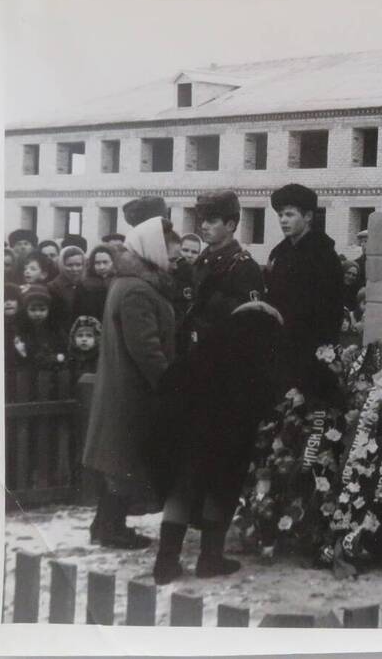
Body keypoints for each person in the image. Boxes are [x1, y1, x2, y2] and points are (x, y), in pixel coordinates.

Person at [150, 301, 283, 584]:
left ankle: (166, 561)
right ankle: (210, 558)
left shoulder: (208, 345)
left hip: (181, 427)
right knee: (219, 491)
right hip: (226, 436)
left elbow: (169, 379)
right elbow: (264, 397)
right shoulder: (259, 354)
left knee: (182, 489)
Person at [82, 216, 183, 549]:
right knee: (122, 463)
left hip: (126, 389)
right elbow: (146, 348)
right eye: (171, 249)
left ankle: (106, 525)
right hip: (131, 391)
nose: (176, 256)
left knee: (120, 462)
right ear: (153, 248)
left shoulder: (130, 284)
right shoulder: (137, 289)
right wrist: (169, 384)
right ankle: (110, 529)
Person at [265, 184, 344, 396]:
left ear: (308, 216)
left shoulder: (324, 257)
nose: (283, 220)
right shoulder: (279, 254)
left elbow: (330, 311)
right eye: (280, 215)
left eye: (290, 214)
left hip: (310, 353)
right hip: (280, 349)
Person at [182, 191, 264, 360]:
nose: (204, 226)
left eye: (211, 221)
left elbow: (251, 323)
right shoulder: (202, 261)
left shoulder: (244, 267)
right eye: (203, 220)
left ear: (230, 225)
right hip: (195, 353)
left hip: (224, 359)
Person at [12, 284, 67, 372]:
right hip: (28, 370)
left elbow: (63, 349)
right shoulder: (21, 329)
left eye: (42, 310)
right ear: (26, 310)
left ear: (48, 310)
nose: (38, 314)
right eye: (33, 310)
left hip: (51, 371)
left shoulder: (54, 329)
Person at [74, 244, 116, 323]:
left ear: (113, 262)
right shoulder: (84, 284)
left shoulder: (117, 283)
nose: (101, 267)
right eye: (97, 263)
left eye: (105, 262)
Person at [48, 245, 85, 332]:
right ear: (61, 264)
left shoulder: (85, 285)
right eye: (69, 265)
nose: (74, 269)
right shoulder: (53, 287)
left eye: (78, 265)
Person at [67, 315, 102, 385]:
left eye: (89, 336)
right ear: (73, 337)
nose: (84, 339)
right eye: (80, 335)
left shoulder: (101, 360)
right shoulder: (69, 359)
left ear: (96, 339)